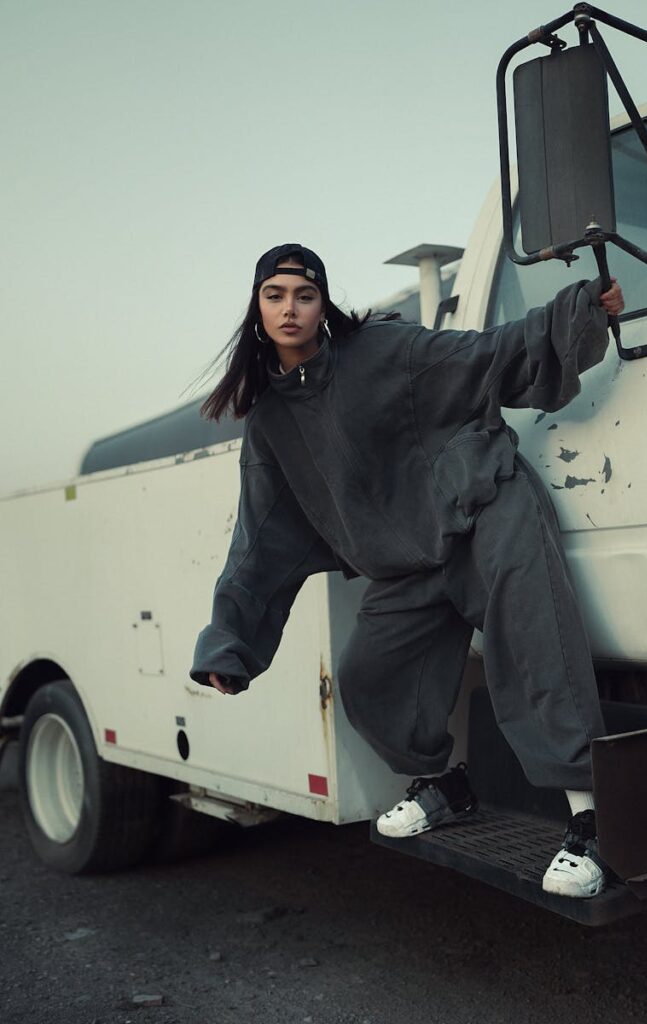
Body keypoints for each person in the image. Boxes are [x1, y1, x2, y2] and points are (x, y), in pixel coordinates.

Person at [190, 242, 624, 899]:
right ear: (255, 308)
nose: (289, 309)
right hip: (407, 560)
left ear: (321, 304)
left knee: (534, 647)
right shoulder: (271, 423)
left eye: (303, 296)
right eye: (275, 296)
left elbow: (483, 354)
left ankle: (590, 824)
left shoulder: (380, 350)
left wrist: (580, 312)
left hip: (483, 507)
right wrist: (232, 643)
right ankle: (448, 785)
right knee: (367, 677)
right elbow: (257, 543)